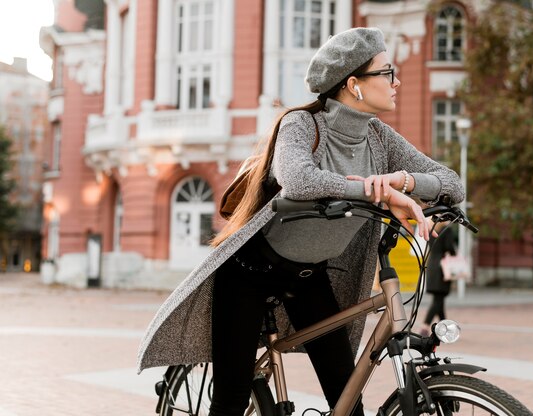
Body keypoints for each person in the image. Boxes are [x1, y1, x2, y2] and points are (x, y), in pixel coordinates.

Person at [137, 27, 464, 416]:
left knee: (347, 401)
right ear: (354, 84)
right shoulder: (302, 126)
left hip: (308, 276)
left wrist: (403, 181)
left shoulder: (379, 137)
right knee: (230, 401)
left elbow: (453, 184)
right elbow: (299, 179)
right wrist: (378, 192)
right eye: (387, 71)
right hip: (247, 273)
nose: (397, 81)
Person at [420, 222, 457, 336]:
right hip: (442, 268)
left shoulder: (432, 229)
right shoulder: (447, 230)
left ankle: (446, 330)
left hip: (432, 265)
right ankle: (424, 327)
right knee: (438, 300)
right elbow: (449, 247)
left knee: (439, 300)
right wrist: (454, 252)